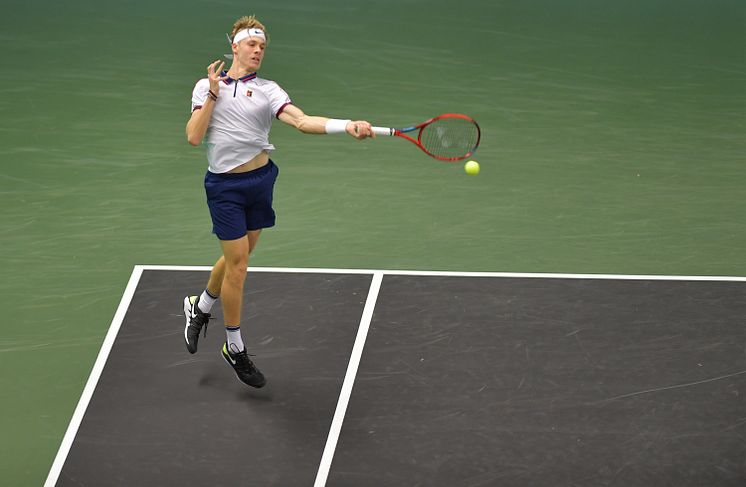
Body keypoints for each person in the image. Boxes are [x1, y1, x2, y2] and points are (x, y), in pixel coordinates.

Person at [183, 15, 374, 388]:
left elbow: (302, 121)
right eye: (252, 44)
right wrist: (211, 93)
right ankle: (234, 347)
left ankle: (200, 306)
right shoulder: (205, 88)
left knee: (240, 254)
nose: (258, 51)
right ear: (235, 46)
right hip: (224, 188)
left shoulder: (269, 90)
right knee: (238, 266)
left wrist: (346, 125)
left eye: (263, 47)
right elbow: (193, 137)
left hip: (261, 181)